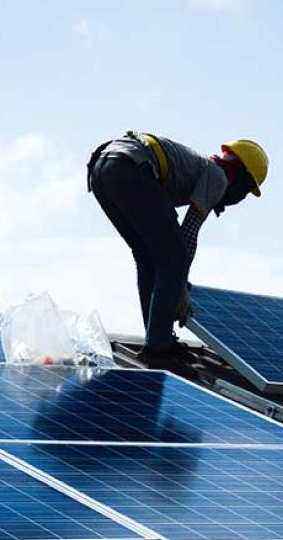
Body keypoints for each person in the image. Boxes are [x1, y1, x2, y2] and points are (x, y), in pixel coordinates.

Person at [87, 132, 268, 368]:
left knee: (148, 257)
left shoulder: (197, 169)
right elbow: (188, 235)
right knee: (172, 258)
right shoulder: (217, 177)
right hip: (130, 167)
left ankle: (155, 339)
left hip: (103, 169)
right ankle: (159, 347)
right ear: (241, 179)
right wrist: (181, 284)